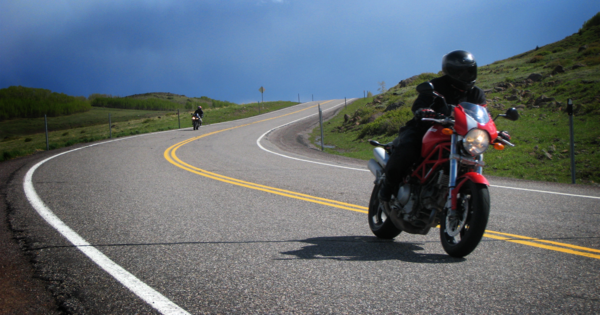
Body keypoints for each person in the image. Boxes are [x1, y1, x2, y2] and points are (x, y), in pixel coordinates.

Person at [379, 50, 487, 202]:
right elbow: (420, 104)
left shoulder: (476, 94)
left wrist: (494, 130)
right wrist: (425, 111)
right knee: (408, 148)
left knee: (472, 156)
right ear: (450, 72)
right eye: (460, 71)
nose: (466, 75)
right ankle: (387, 187)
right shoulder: (436, 85)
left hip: (460, 135)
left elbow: (483, 114)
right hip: (425, 129)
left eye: (469, 70)